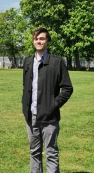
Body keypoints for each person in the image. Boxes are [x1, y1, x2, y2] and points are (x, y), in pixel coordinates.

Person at [22, 28, 73, 173]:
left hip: (49, 117)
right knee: (34, 152)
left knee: (51, 153)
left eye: (42, 38)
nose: (38, 41)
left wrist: (54, 105)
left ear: (48, 41)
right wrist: (24, 106)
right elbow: (26, 87)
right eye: (36, 38)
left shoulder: (57, 62)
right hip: (31, 116)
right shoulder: (27, 62)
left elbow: (67, 88)